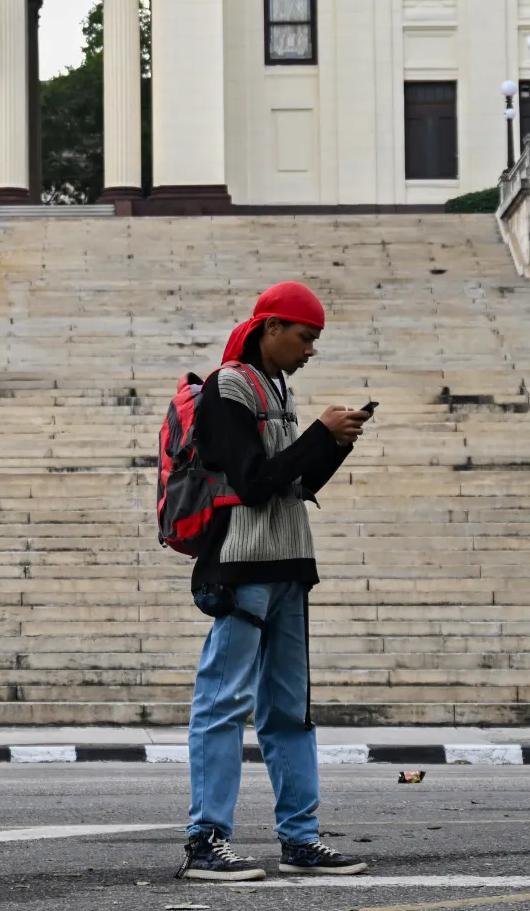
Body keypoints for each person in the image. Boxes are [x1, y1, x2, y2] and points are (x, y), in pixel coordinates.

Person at [176, 280, 374, 883]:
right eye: (305, 336)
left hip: (288, 565)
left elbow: (292, 487)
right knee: (223, 701)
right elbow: (254, 481)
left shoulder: (276, 387)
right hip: (242, 568)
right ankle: (206, 840)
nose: (310, 349)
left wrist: (333, 445)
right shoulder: (228, 387)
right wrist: (316, 432)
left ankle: (300, 839)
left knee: (289, 710)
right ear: (270, 328)